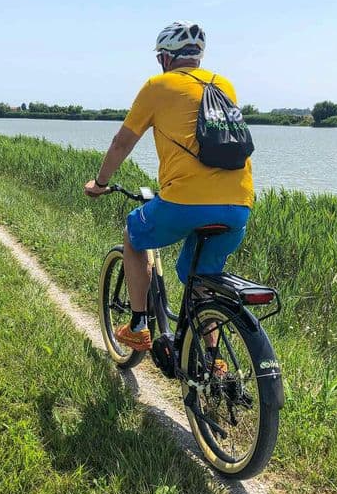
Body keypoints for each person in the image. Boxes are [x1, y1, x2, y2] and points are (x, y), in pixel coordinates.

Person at [84, 21, 254, 351]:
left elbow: (122, 142)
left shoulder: (158, 86)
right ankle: (213, 361)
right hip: (239, 204)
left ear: (165, 57)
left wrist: (100, 182)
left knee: (134, 234)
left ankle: (138, 326)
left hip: (184, 202)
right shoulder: (224, 86)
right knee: (200, 278)